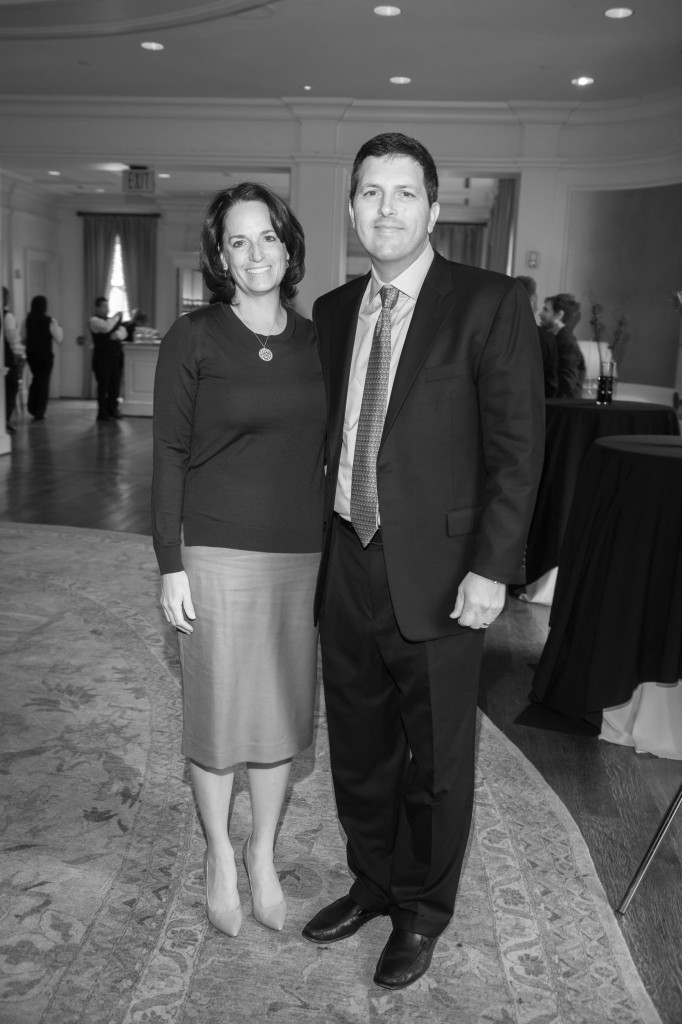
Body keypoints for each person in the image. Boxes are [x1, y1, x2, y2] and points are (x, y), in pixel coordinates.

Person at [302, 133, 545, 989]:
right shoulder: (335, 310)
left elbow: (518, 449)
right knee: (359, 746)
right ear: (353, 208)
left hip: (445, 575)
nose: (386, 209)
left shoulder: (489, 302)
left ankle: (421, 911)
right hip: (347, 561)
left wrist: (493, 568)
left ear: (433, 209)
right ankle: (373, 882)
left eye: (404, 193)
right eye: (370, 192)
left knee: (438, 762)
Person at [152, 183, 325, 939]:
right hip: (215, 550)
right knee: (219, 712)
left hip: (301, 553)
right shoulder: (194, 337)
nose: (256, 254)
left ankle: (263, 854)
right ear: (220, 257)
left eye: (268, 237)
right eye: (238, 241)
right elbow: (168, 452)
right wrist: (170, 561)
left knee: (279, 710)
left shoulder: (319, 341)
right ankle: (220, 855)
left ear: (289, 246)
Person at [22, 295, 64, 421]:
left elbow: (23, 337)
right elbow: (59, 338)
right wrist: (60, 327)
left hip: (31, 355)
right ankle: (39, 410)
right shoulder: (50, 321)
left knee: (36, 379)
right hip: (45, 356)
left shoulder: (27, 320)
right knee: (43, 382)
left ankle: (32, 407)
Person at [515, 275, 558, 397]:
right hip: (534, 402)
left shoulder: (493, 333)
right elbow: (551, 384)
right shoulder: (546, 339)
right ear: (533, 299)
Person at [539, 293, 585, 398]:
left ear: (559, 315)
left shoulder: (567, 342)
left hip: (561, 405)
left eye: (546, 310)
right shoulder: (555, 338)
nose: (540, 314)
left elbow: (567, 383)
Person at [89, 296, 126, 420]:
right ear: (97, 308)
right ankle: (102, 412)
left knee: (114, 385)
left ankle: (112, 409)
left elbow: (123, 332)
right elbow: (106, 328)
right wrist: (116, 317)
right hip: (101, 359)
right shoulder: (94, 320)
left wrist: (117, 334)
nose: (107, 309)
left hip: (114, 357)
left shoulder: (110, 321)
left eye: (107, 306)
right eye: (104, 306)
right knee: (103, 386)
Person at [3, 286, 25, 434]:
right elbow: (12, 338)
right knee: (11, 386)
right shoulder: (7, 316)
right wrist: (19, 352)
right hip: (6, 355)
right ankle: (4, 420)